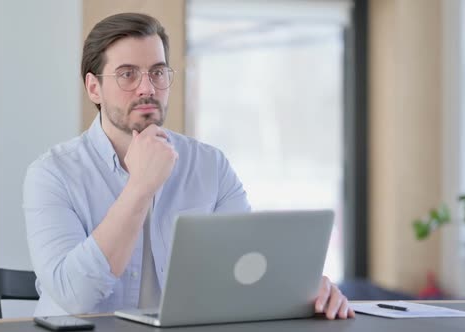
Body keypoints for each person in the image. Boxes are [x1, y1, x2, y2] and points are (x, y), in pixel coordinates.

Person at [23, 12, 355, 320]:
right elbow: (74, 297)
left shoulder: (211, 166)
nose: (147, 88)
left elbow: (248, 269)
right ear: (93, 87)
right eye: (127, 74)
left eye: (157, 72)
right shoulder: (51, 175)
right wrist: (141, 186)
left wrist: (306, 290)